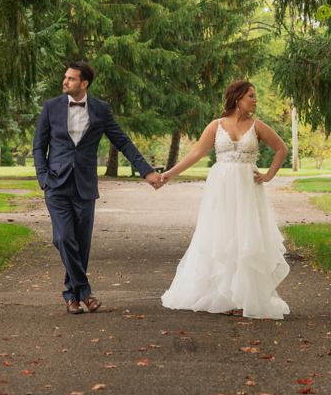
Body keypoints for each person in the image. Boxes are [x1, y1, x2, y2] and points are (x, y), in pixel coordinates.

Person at [33, 60, 163, 314]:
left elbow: (123, 141)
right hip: (56, 184)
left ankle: (72, 296)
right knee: (63, 238)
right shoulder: (50, 108)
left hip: (85, 185)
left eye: (71, 79)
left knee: (81, 243)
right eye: (65, 77)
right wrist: (43, 178)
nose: (65, 81)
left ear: (84, 84)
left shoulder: (101, 110)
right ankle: (85, 292)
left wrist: (146, 171)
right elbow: (39, 146)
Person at [158, 80, 291, 319]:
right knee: (222, 236)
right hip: (222, 188)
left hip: (248, 190)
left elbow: (281, 148)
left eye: (255, 95)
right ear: (238, 98)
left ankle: (245, 297)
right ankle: (224, 297)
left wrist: (269, 175)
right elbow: (196, 153)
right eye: (251, 96)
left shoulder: (258, 126)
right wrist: (169, 173)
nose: (255, 100)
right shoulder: (215, 125)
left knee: (246, 237)